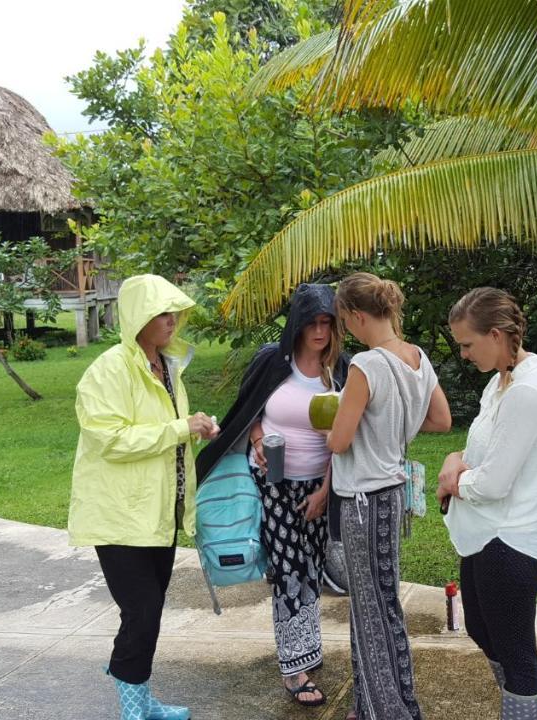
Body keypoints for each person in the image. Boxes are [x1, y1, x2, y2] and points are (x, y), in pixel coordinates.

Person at [68, 274, 220, 720]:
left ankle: (139, 696)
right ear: (139, 318)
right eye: (161, 313)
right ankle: (133, 706)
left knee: (145, 614)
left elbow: (166, 435)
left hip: (159, 514)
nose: (172, 320)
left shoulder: (168, 367)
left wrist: (200, 429)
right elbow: (108, 439)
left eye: (174, 311)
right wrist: (180, 428)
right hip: (119, 516)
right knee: (144, 611)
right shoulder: (108, 370)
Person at [195, 283, 350, 708]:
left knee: (312, 569)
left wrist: (324, 490)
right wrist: (260, 438)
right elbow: (250, 411)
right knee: (288, 571)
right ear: (297, 325)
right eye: (312, 323)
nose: (320, 332)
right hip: (273, 484)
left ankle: (307, 647)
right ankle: (294, 667)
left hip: (321, 483)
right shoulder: (271, 361)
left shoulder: (341, 369)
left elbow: (347, 438)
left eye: (327, 323)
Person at [325, 272, 452, 720]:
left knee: (372, 610)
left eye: (345, 322)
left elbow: (338, 442)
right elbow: (441, 420)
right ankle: (374, 704)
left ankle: (390, 712)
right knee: (379, 602)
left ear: (357, 316)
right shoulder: (417, 357)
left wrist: (332, 420)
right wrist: (391, 425)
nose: (346, 331)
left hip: (361, 498)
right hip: (393, 494)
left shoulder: (367, 365)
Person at [437, 288, 537, 720]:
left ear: (496, 335)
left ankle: (525, 713)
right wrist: (455, 462)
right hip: (485, 536)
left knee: (516, 653)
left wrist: (454, 481)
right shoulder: (500, 383)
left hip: (512, 541)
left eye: (468, 345)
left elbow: (493, 482)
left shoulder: (526, 392)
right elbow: (480, 456)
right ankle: (519, 708)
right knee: (481, 629)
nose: (464, 355)